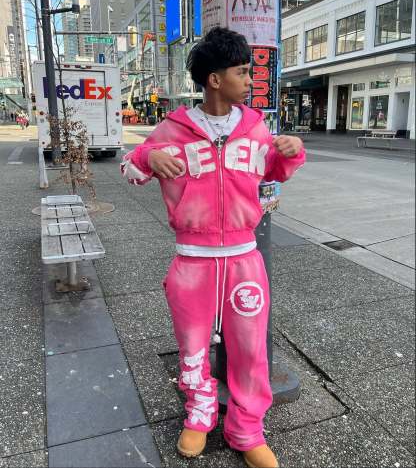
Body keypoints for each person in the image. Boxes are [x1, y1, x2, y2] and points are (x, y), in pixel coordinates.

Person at [121, 27, 305, 468]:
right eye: (242, 72)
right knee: (192, 346)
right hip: (193, 259)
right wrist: (146, 157)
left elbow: (274, 171)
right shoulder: (173, 129)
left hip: (244, 258)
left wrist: (292, 151)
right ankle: (199, 414)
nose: (249, 80)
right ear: (215, 79)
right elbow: (130, 169)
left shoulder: (255, 127)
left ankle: (247, 429)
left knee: (250, 349)